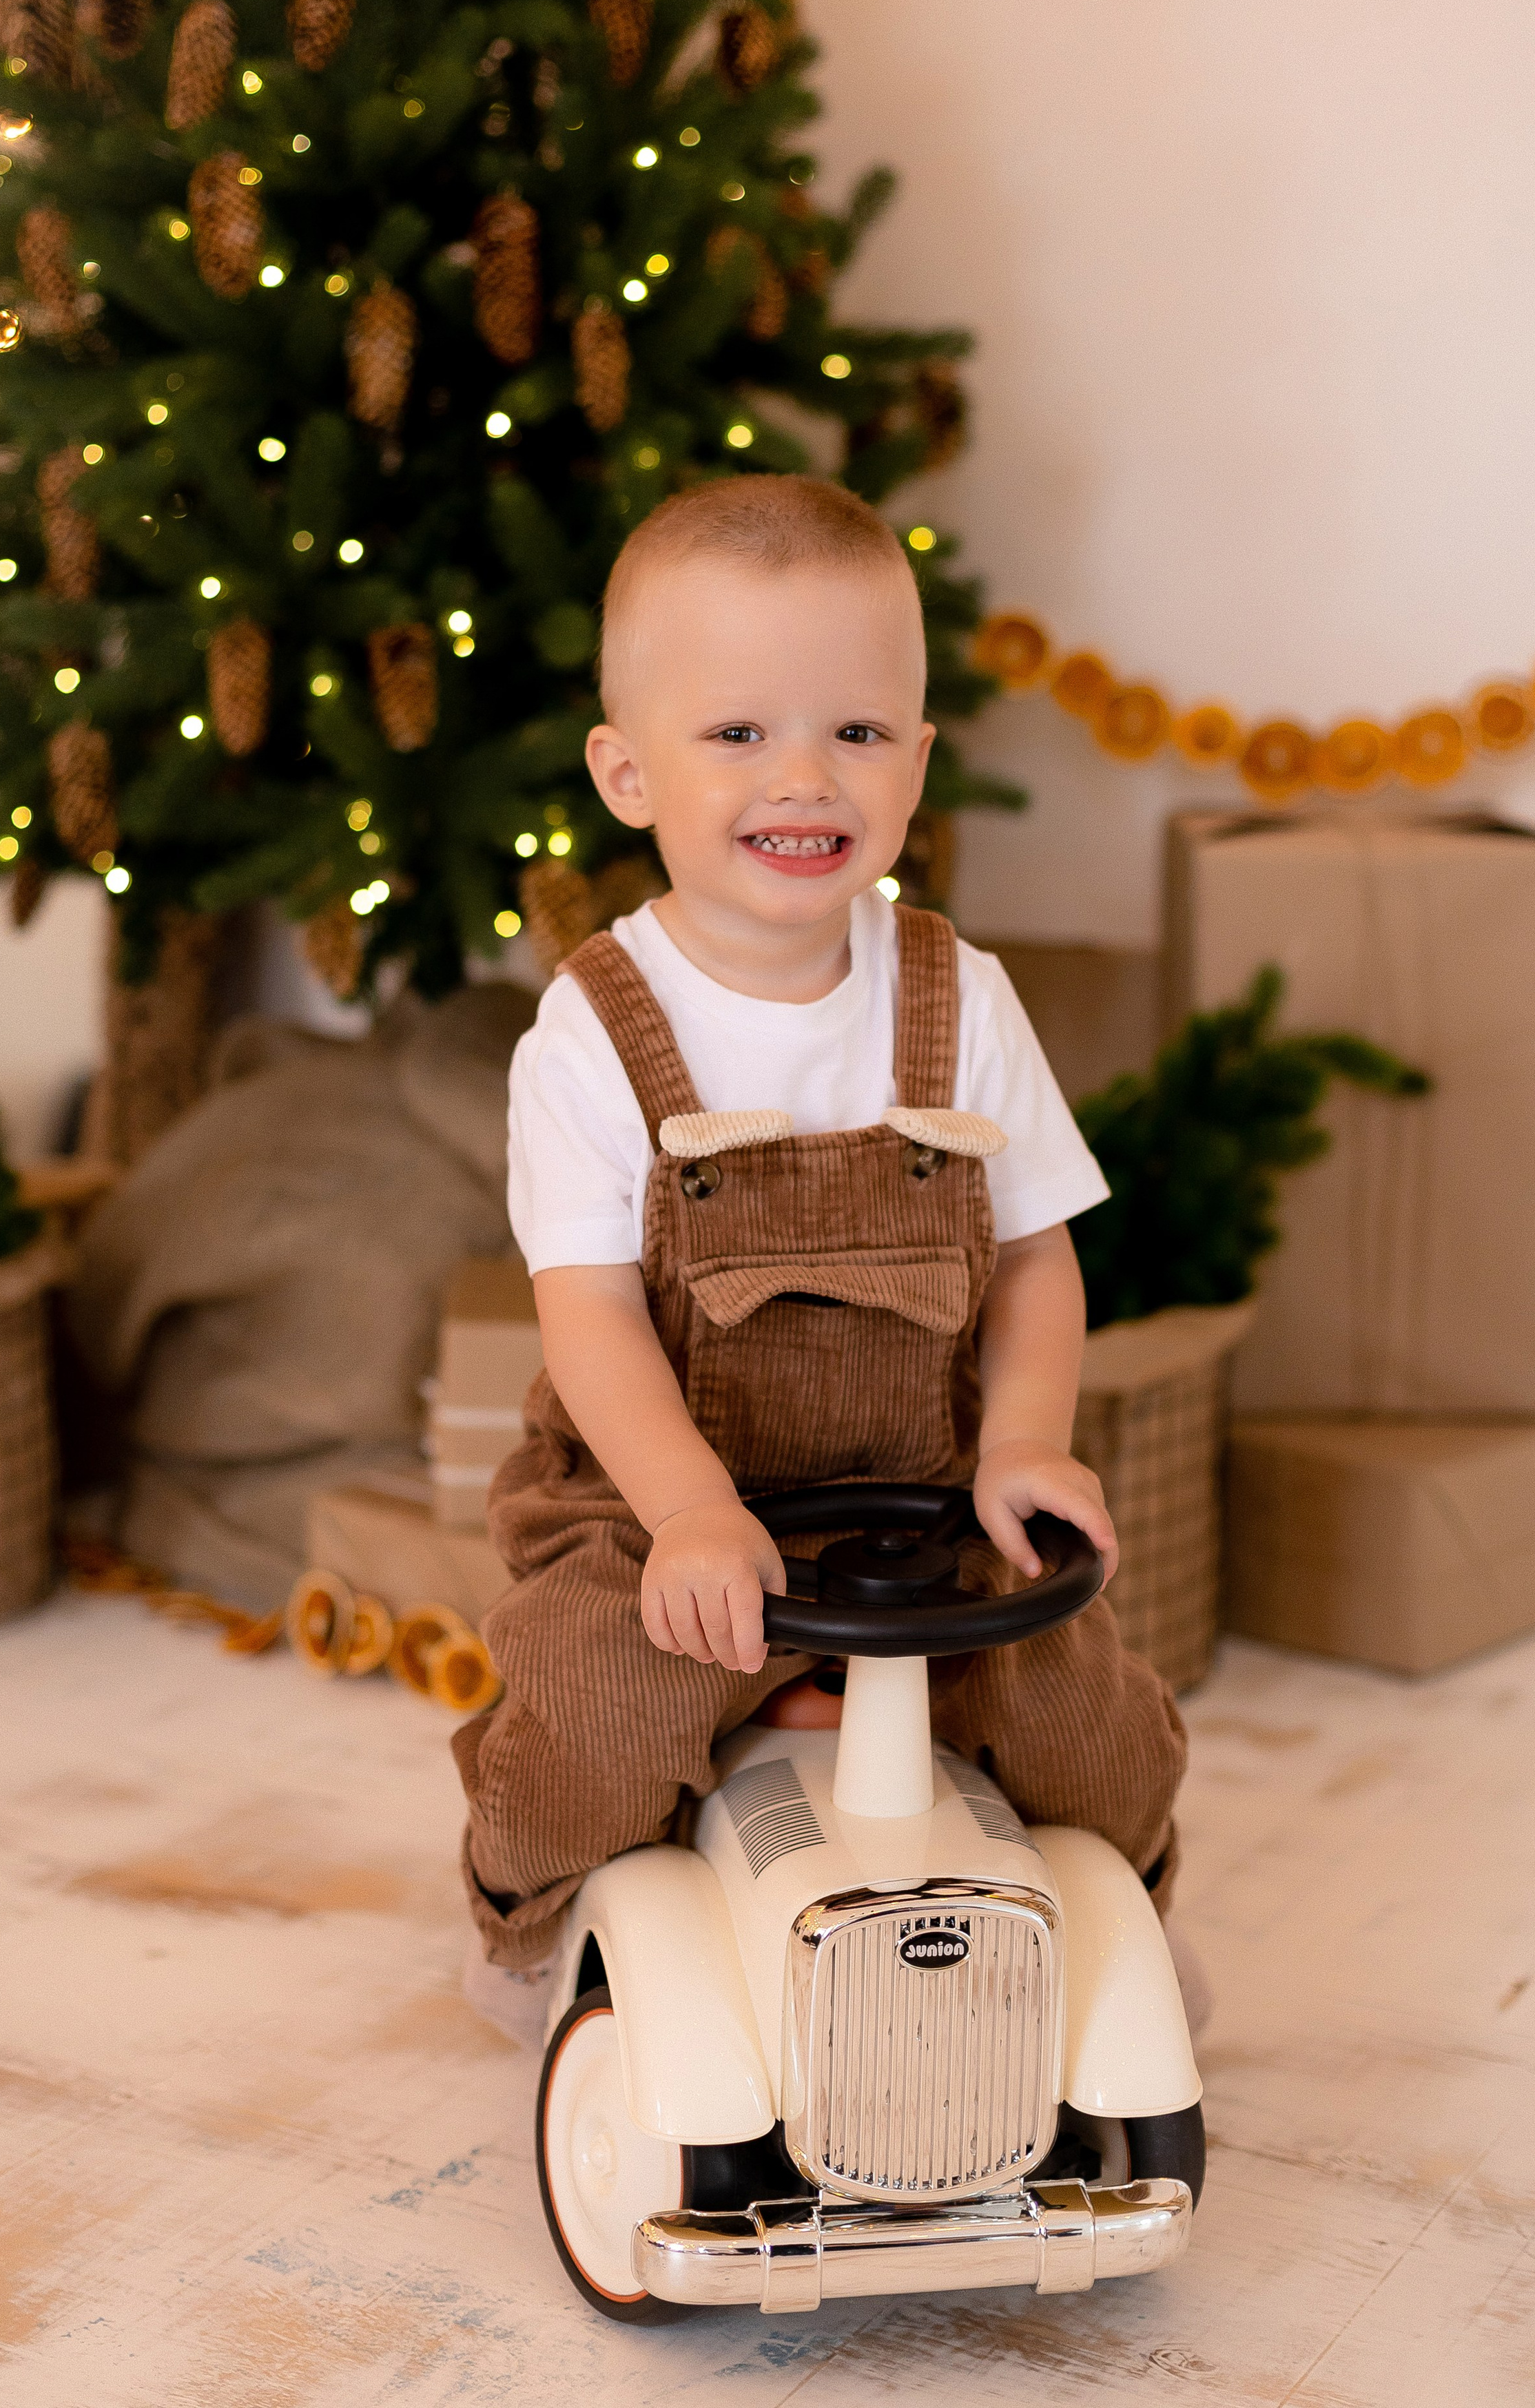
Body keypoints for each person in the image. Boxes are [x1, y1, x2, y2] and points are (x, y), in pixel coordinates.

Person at [454, 475, 1191, 2044]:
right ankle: (521, 1919)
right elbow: (588, 1319)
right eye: (735, 735)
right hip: (653, 1485)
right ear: (625, 772)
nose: (803, 776)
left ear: (916, 762)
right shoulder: (595, 1029)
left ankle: (1119, 1909)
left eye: (855, 732)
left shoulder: (956, 995)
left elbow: (1034, 1261)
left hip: (925, 1481)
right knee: (587, 1711)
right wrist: (688, 1511)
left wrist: (1024, 1444)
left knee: (1091, 1716)